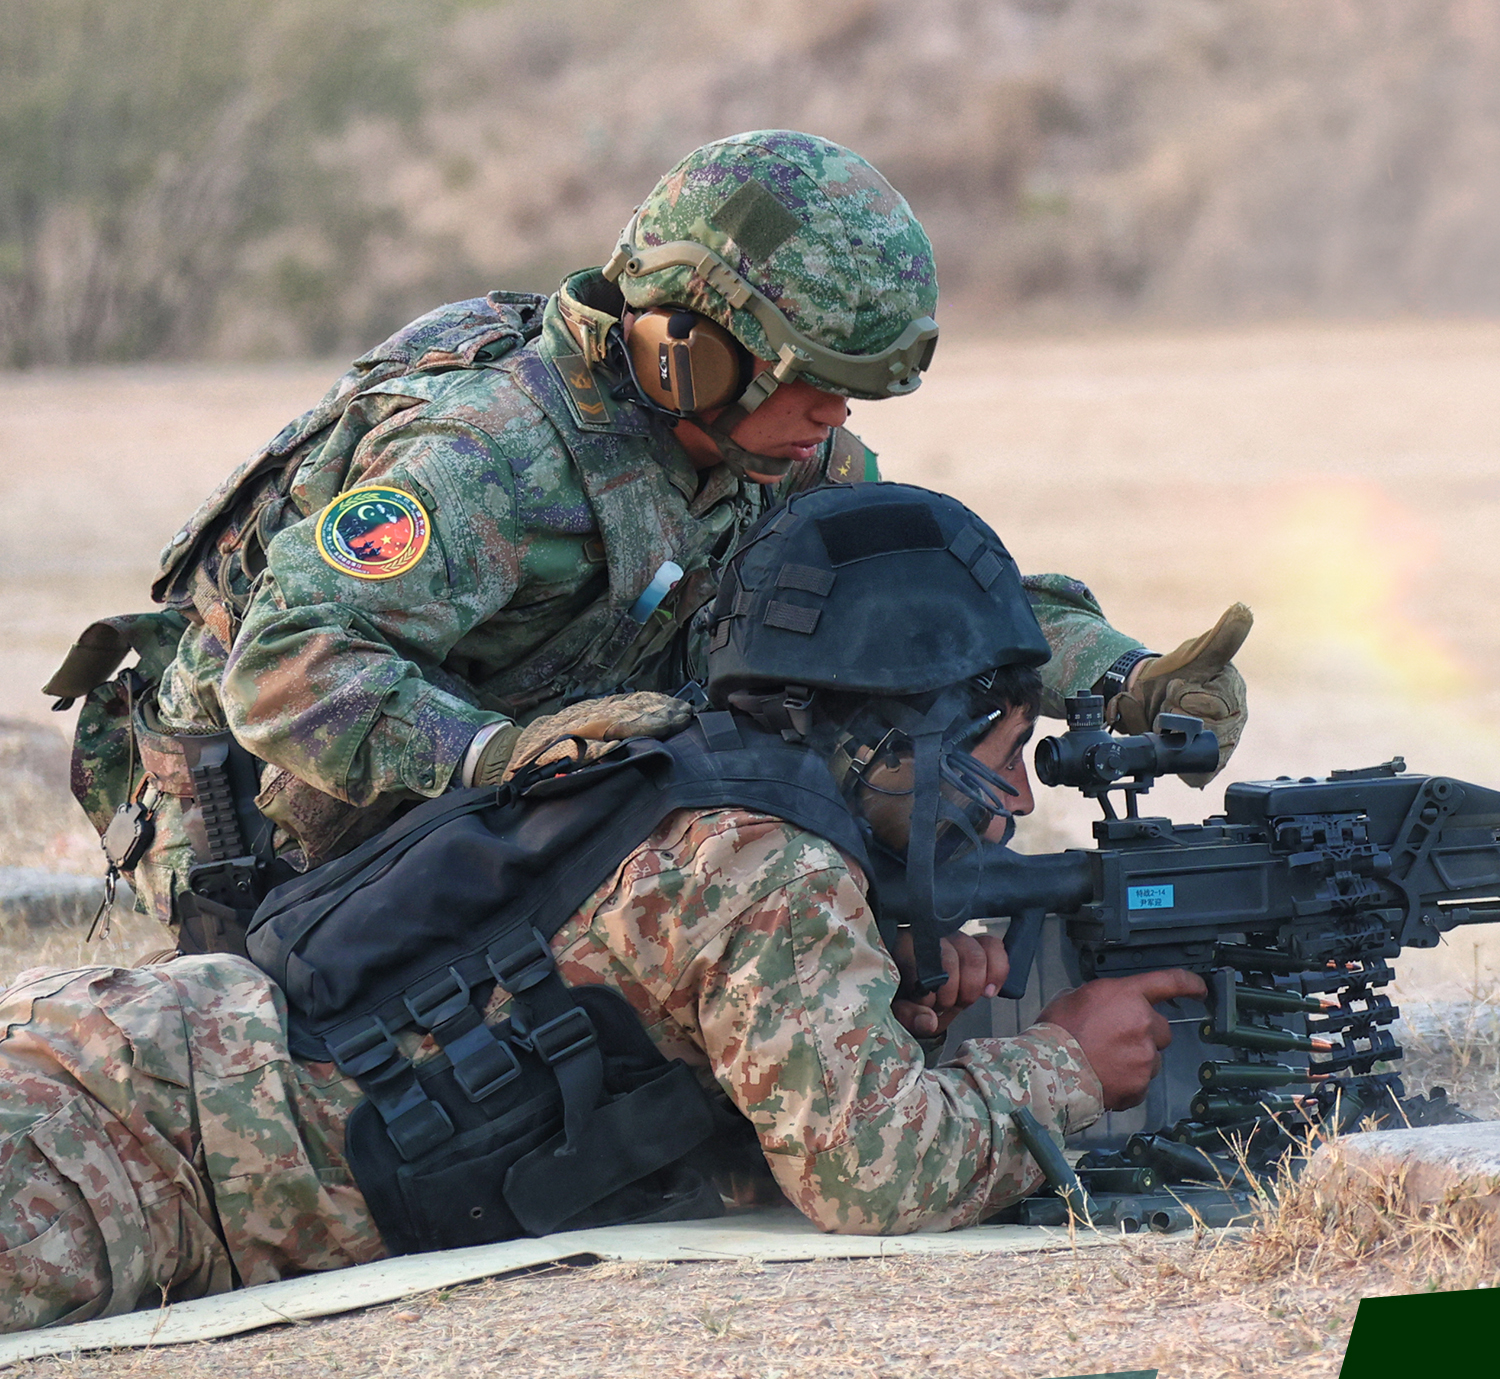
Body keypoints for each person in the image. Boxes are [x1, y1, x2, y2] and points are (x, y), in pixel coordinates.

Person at [0, 484, 1204, 1330]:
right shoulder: (772, 866)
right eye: (996, 752)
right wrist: (1065, 1060)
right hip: (127, 1152)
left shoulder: (712, 788)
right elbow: (877, 1178)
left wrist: (891, 1015)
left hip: (140, 1075)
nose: (1013, 798)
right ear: (893, 734)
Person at [45, 128, 1248, 953]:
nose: (834, 419)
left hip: (488, 804)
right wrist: (502, 756)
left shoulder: (777, 446)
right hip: (277, 838)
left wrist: (1124, 677)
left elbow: (924, 597)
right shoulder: (492, 458)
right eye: (813, 382)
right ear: (690, 348)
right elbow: (284, 663)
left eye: (851, 393)